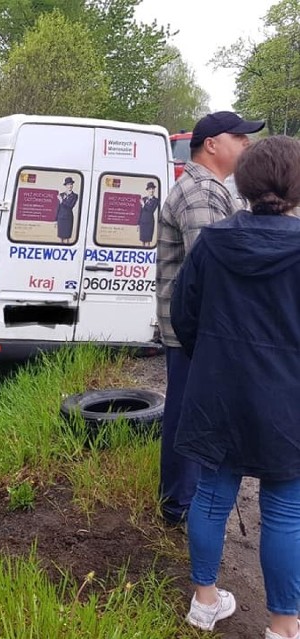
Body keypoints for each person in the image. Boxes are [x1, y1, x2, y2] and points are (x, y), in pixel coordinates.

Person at [171, 135, 300, 638]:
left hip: (218, 391)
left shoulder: (215, 242)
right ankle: (283, 626)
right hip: (287, 401)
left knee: (210, 494)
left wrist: (215, 362)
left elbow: (185, 315)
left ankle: (204, 602)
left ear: (245, 182)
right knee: (286, 511)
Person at [156, 111, 265, 527]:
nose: (247, 144)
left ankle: (185, 498)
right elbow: (217, 264)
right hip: (194, 330)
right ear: (212, 144)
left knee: (192, 411)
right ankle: (180, 504)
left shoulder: (217, 189)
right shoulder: (200, 192)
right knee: (189, 413)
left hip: (200, 327)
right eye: (239, 136)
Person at [56, 177, 78, 243]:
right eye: (68, 184)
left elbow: (70, 206)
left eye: (71, 184)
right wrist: (55, 219)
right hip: (61, 218)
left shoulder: (75, 195)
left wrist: (62, 200)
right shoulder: (61, 195)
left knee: (67, 236)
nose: (70, 186)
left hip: (68, 218)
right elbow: (58, 207)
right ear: (66, 185)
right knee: (61, 237)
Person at [138, 181, 159, 246]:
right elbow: (140, 212)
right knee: (142, 241)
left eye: (153, 189)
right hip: (142, 222)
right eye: (150, 189)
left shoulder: (156, 200)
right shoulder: (143, 199)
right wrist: (138, 223)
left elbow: (151, 210)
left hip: (149, 222)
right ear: (147, 190)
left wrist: (144, 205)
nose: (151, 190)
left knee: (148, 241)